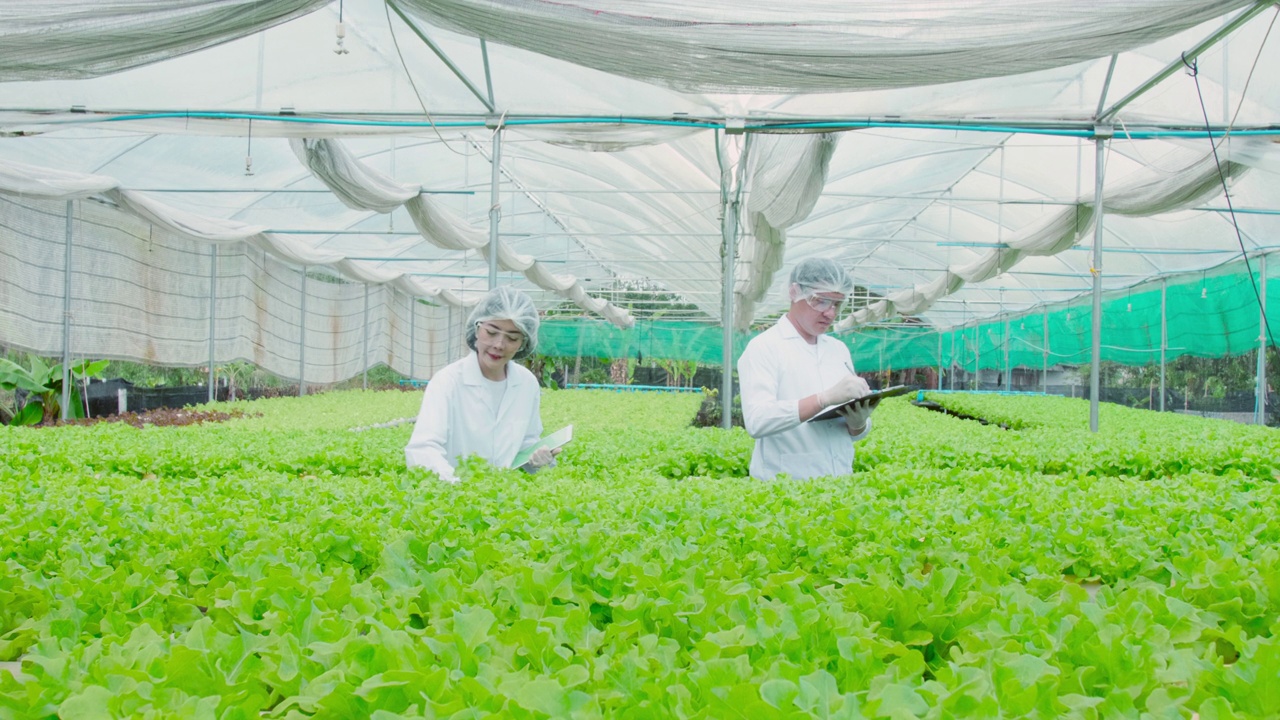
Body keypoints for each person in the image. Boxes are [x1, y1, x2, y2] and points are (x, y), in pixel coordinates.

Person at [737, 258, 879, 480]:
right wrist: (822, 399)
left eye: (837, 304)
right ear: (795, 293)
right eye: (821, 301)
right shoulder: (764, 347)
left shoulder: (838, 350)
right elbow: (757, 421)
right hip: (785, 491)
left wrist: (858, 423)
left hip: (840, 484)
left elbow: (851, 433)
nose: (830, 313)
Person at [405, 286, 559, 482]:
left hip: (503, 498)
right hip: (453, 497)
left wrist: (536, 457)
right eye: (492, 332)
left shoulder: (526, 383)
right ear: (477, 329)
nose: (499, 345)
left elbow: (526, 440)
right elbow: (423, 448)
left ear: (523, 342)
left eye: (512, 338)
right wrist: (455, 486)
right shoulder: (448, 381)